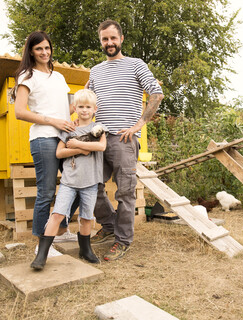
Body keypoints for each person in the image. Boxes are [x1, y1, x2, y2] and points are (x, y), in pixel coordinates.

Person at [88, 19, 164, 261]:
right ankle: (110, 226)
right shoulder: (95, 71)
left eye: (113, 38)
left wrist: (139, 125)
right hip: (98, 137)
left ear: (121, 39)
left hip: (124, 138)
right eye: (104, 39)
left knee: (125, 192)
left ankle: (122, 241)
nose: (109, 43)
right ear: (100, 42)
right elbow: (86, 99)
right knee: (91, 186)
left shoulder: (135, 65)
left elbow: (156, 93)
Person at [30, 89, 108, 270]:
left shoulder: (99, 128)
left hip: (90, 181)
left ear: (95, 109)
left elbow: (101, 146)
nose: (84, 110)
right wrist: (80, 150)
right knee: (57, 214)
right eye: (80, 106)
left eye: (88, 107)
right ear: (75, 107)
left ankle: (85, 250)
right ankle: (42, 254)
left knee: (86, 217)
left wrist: (79, 143)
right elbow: (59, 152)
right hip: (69, 181)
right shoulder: (69, 130)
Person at [13, 30, 77, 243]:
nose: (44, 52)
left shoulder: (58, 76)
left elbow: (63, 109)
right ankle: (43, 242)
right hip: (44, 139)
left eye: (47, 48)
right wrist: (54, 121)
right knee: (47, 193)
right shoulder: (27, 76)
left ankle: (59, 228)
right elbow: (20, 112)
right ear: (31, 52)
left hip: (65, 139)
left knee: (76, 185)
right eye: (39, 48)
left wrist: (79, 107)